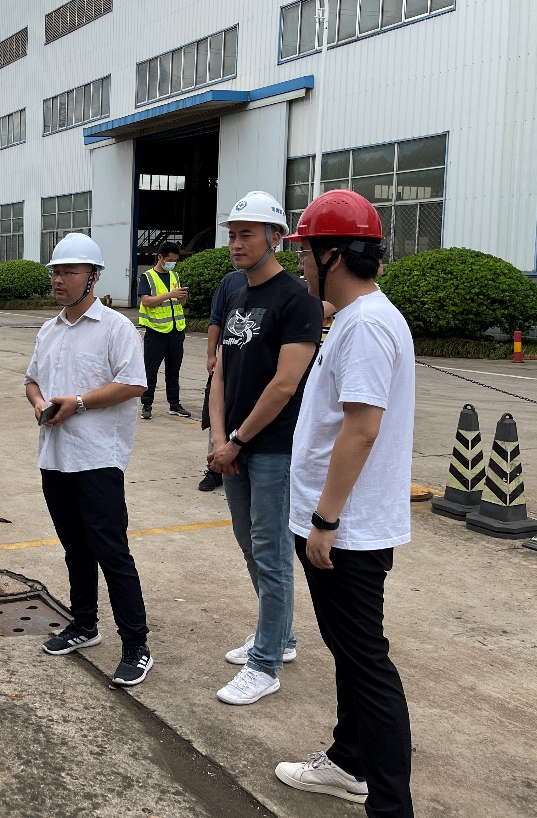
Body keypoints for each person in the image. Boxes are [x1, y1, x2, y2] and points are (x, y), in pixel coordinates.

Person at [275, 190, 415, 817]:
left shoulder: (365, 326)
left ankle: (389, 805)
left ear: (333, 255)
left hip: (345, 529)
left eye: (306, 251)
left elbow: (361, 428)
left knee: (366, 664)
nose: (301, 262)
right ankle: (349, 760)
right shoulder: (360, 317)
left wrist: (325, 519)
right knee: (352, 655)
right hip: (343, 523)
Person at [207, 190, 320, 705]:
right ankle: (282, 636)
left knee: (272, 553)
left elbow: (285, 384)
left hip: (273, 447)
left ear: (275, 237)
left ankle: (266, 663)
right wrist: (218, 438)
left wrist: (237, 440)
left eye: (247, 234)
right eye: (232, 235)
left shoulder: (297, 299)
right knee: (249, 543)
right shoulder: (237, 294)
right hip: (233, 445)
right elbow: (220, 372)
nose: (236, 243)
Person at [26, 234, 154, 687]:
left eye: (70, 271)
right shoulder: (49, 330)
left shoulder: (115, 328)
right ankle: (84, 624)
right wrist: (39, 402)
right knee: (75, 549)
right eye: (56, 271)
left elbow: (134, 383)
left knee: (111, 552)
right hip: (55, 457)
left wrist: (77, 402)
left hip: (97, 458)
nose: (59, 279)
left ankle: (136, 645)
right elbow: (31, 381)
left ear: (93, 277)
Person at [198, 268, 248, 491]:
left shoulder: (283, 287)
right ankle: (214, 467)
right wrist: (212, 355)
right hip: (226, 363)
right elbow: (216, 319)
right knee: (217, 412)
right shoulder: (230, 282)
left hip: (255, 366)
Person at [136, 241, 190, 421]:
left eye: (175, 260)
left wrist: (182, 297)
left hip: (176, 331)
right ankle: (147, 405)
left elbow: (180, 304)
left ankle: (174, 404)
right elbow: (146, 301)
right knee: (150, 371)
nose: (172, 263)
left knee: (173, 371)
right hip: (156, 332)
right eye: (169, 260)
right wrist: (170, 295)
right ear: (160, 257)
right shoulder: (147, 277)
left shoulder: (174, 275)